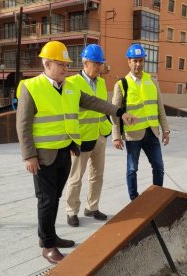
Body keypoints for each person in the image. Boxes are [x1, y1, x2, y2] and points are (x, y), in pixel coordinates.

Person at [16, 41, 136, 264]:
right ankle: (48, 245)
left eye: (66, 64)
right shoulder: (31, 87)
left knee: (55, 198)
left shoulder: (70, 88)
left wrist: (120, 112)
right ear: (47, 63)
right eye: (60, 64)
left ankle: (50, 237)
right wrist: (28, 155)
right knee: (46, 200)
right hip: (42, 156)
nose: (64, 68)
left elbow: (94, 102)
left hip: (65, 152)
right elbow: (23, 125)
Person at [111, 43, 170, 201]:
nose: (138, 64)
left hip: (152, 132)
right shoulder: (121, 85)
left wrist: (166, 130)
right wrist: (116, 136)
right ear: (128, 61)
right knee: (132, 169)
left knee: (158, 166)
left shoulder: (152, 81)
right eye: (134, 60)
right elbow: (115, 113)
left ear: (144, 61)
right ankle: (134, 199)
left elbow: (160, 108)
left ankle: (158, 196)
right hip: (133, 134)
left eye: (140, 60)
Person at [65, 44, 110, 227]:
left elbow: (104, 108)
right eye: (96, 63)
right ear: (85, 63)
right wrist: (72, 139)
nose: (99, 67)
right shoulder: (73, 83)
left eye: (101, 63)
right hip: (81, 139)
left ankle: (92, 207)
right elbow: (69, 113)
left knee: (97, 175)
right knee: (76, 177)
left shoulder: (101, 83)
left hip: (99, 135)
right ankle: (71, 211)